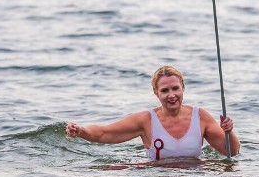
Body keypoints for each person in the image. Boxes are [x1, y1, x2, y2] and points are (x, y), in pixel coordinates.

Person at [65, 65, 239, 160]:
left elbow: (232, 151)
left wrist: (228, 132)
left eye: (175, 88)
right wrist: (81, 131)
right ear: (156, 93)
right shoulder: (146, 120)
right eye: (164, 90)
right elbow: (104, 133)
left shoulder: (200, 116)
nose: (171, 95)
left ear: (183, 88)